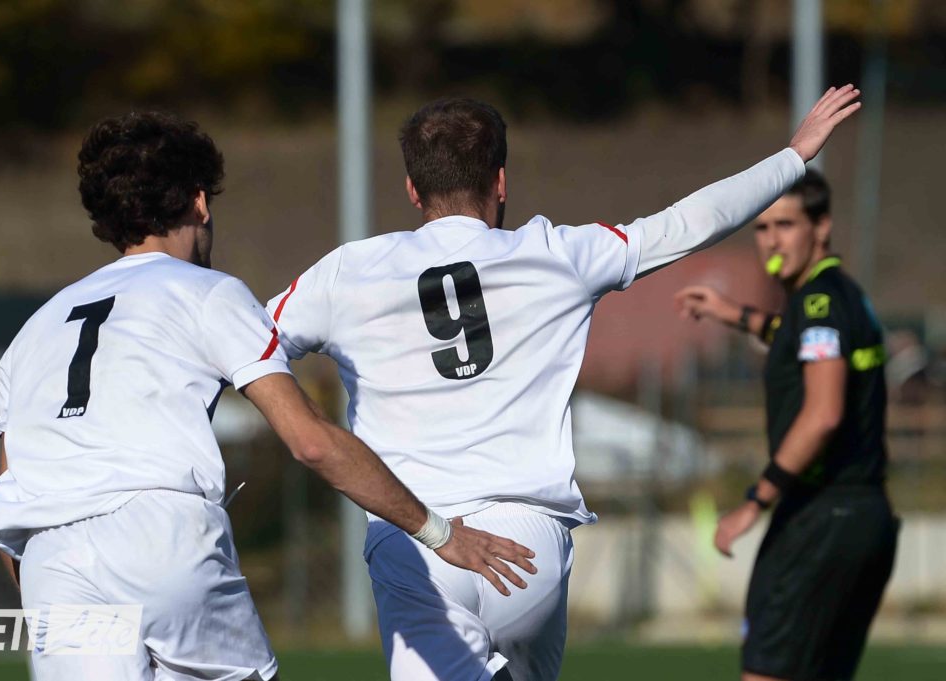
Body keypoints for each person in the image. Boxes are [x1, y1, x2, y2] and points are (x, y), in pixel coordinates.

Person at [264, 86, 862, 680]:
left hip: (418, 540)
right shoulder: (557, 253)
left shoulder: (346, 273)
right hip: (529, 546)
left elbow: (248, 348)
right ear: (500, 182)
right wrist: (793, 157)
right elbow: (687, 223)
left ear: (412, 190)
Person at [0, 111, 534, 681]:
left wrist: (55, 586)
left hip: (50, 561)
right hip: (160, 534)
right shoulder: (206, 292)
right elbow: (312, 442)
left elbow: (8, 487)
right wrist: (438, 533)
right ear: (199, 202)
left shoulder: (32, 334)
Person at [675, 169, 898, 681]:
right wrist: (736, 315)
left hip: (820, 518)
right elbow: (804, 341)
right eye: (763, 227)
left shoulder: (819, 303)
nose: (772, 240)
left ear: (822, 228)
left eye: (787, 225)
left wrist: (755, 501)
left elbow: (823, 414)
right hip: (866, 517)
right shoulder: (839, 297)